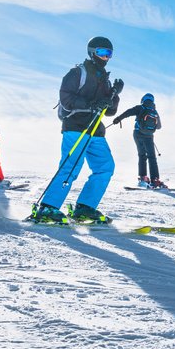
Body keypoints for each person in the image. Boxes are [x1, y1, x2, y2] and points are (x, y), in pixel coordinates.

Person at [31, 37, 123, 224]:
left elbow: (110, 111)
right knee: (71, 166)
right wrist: (91, 104)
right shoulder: (77, 73)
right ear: (91, 52)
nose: (106, 58)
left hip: (96, 130)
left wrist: (114, 94)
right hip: (76, 127)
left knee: (105, 167)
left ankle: (85, 207)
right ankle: (48, 207)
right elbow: (66, 98)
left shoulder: (105, 79)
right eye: (102, 53)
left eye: (109, 54)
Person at [113, 93, 167, 189]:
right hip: (149, 136)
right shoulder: (154, 111)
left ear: (143, 99)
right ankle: (155, 179)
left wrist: (118, 119)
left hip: (138, 134)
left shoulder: (140, 108)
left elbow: (127, 113)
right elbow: (159, 127)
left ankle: (143, 178)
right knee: (152, 157)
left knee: (142, 155)